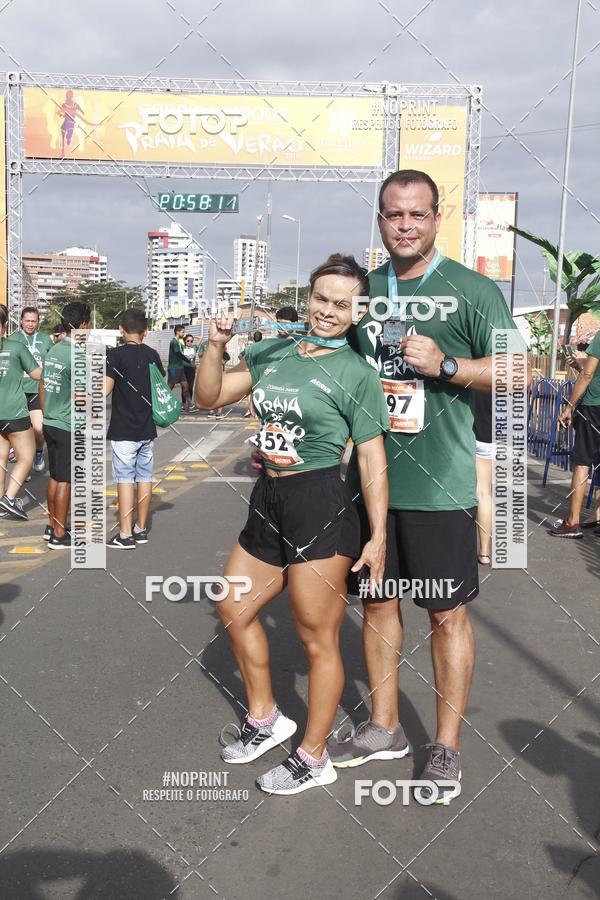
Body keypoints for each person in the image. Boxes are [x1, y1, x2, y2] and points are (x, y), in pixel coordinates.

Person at [329, 169, 525, 802]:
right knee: (379, 606)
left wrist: (447, 365)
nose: (405, 226)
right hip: (372, 484)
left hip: (441, 487)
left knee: (445, 613)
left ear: (437, 217)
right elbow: (336, 361)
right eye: (393, 215)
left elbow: (519, 372)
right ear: (379, 220)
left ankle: (445, 746)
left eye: (416, 214)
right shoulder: (362, 292)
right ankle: (385, 726)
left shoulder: (471, 290)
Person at [196, 254, 389, 796]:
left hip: (320, 502)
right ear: (309, 297)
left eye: (342, 304)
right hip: (271, 497)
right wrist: (216, 345)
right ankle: (266, 719)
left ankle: (314, 754)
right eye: (322, 299)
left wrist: (376, 536)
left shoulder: (356, 373)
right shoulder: (273, 352)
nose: (328, 311)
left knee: (315, 635)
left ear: (358, 311)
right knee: (232, 606)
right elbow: (207, 397)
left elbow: (371, 457)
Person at [104, 309, 165, 549]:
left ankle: (125, 534)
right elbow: (160, 384)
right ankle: (140, 529)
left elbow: (104, 390)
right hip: (146, 428)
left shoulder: (115, 356)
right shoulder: (152, 354)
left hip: (123, 430)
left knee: (125, 480)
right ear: (145, 331)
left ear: (121, 329)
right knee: (145, 478)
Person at [40, 301, 91, 547]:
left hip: (50, 420)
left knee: (55, 476)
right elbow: (82, 396)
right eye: (88, 325)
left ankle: (53, 526)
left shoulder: (54, 349)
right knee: (66, 480)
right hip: (67, 424)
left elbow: (42, 384)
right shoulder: (78, 354)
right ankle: (59, 535)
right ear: (82, 325)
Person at [549, 329, 600, 538]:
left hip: (595, 407)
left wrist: (569, 406)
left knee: (582, 463)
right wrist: (578, 365)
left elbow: (588, 374)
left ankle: (572, 522)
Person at [0, 305, 42, 520]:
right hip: (14, 412)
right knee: (26, 457)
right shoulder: (15, 347)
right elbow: (37, 374)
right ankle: (8, 498)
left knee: (1, 458)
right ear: (6, 325)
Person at [10, 306, 53, 473]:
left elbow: (52, 362)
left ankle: (38, 453)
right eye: (27, 320)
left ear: (38, 322)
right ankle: (23, 462)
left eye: (33, 321)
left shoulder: (45, 339)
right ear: (21, 321)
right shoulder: (13, 339)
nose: (30, 324)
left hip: (37, 390)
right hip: (17, 391)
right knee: (19, 430)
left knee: (38, 428)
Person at [473, 392, 495, 566]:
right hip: (486, 432)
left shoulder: (457, 366)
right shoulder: (493, 370)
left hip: (456, 433)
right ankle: (484, 552)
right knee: (484, 493)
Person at [167, 324, 190, 412]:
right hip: (174, 368)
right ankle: (163, 403)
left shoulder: (179, 342)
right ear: (177, 332)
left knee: (185, 385)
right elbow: (178, 354)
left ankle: (187, 403)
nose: (184, 333)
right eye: (183, 332)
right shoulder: (174, 342)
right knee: (170, 387)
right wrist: (188, 361)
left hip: (180, 368)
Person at [182, 334, 198, 408]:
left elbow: (201, 338)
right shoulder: (182, 348)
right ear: (185, 341)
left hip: (192, 369)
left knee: (190, 387)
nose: (190, 342)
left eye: (191, 341)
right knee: (184, 387)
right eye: (188, 340)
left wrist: (193, 336)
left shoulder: (194, 347)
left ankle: (190, 403)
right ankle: (184, 403)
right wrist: (184, 335)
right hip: (184, 369)